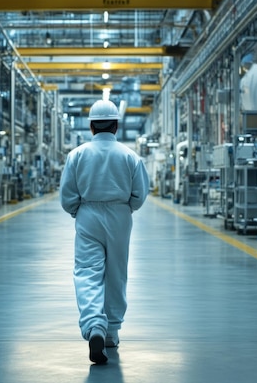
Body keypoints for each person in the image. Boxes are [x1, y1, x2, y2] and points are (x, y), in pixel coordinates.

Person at [59, 99, 150, 365]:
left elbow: (67, 196)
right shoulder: (130, 155)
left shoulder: (77, 155)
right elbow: (140, 194)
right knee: (116, 272)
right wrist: (124, 208)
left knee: (87, 271)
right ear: (117, 125)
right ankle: (111, 332)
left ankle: (93, 326)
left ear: (90, 126)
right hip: (121, 215)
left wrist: (81, 210)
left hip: (88, 215)